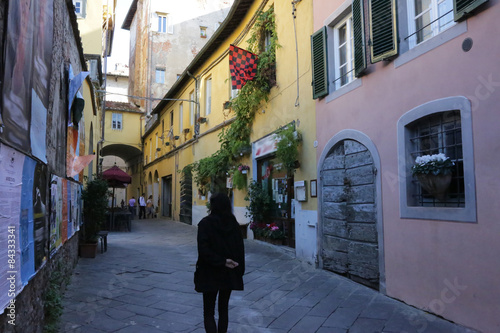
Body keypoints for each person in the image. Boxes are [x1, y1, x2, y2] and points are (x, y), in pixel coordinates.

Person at [194, 193, 245, 333]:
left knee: (209, 312)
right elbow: (240, 248)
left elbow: (203, 250)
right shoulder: (233, 224)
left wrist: (221, 261)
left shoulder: (205, 223)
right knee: (224, 310)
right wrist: (238, 269)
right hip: (228, 272)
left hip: (209, 271)